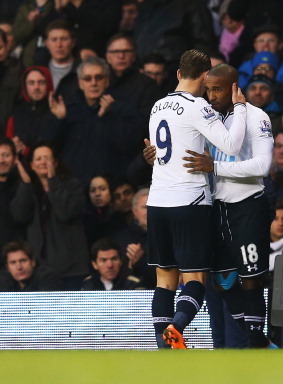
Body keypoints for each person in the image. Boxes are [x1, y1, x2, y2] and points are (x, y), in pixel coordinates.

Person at [146, 49, 247, 349]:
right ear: (205, 77)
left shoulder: (157, 106)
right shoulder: (198, 107)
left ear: (178, 74)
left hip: (157, 201)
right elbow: (230, 144)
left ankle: (163, 346)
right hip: (189, 201)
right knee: (195, 280)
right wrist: (239, 108)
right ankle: (176, 328)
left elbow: (159, 151)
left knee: (164, 280)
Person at [43, 56, 141, 185]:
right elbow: (50, 144)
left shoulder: (123, 107)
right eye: (87, 79)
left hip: (109, 187)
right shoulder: (69, 109)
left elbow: (128, 144)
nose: (93, 83)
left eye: (99, 78)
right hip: (74, 186)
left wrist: (108, 116)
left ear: (107, 81)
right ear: (80, 83)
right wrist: (59, 119)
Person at [10, 144, 90, 290]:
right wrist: (26, 185)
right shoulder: (30, 189)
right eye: (38, 159)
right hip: (40, 271)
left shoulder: (72, 185)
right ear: (32, 165)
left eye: (46, 158)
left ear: (55, 162)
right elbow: (20, 216)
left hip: (71, 270)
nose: (42, 162)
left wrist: (53, 182)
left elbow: (66, 213)